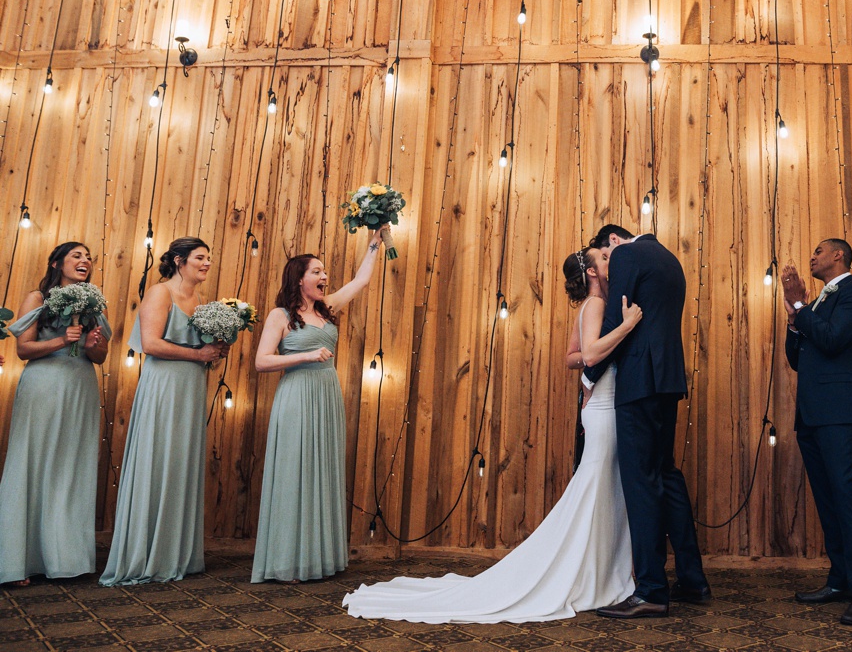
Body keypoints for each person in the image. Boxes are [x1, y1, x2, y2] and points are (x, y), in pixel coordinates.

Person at [342, 246, 642, 622]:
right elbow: (592, 354)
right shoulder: (597, 306)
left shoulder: (591, 307)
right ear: (594, 273)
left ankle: (598, 573)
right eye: (604, 257)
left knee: (602, 493)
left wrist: (586, 374)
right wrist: (627, 328)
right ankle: (592, 576)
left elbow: (573, 356)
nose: (610, 260)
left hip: (600, 409)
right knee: (599, 492)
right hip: (604, 412)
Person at [586, 224, 710, 619]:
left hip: (639, 380)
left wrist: (590, 373)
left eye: (605, 257)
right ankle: (692, 580)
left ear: (613, 242)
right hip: (668, 378)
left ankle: (652, 590)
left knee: (641, 484)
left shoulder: (626, 254)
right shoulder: (669, 258)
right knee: (666, 476)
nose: (607, 267)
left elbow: (616, 321)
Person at [252, 233, 382, 583]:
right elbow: (261, 362)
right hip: (296, 396)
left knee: (320, 471)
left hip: (326, 396)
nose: (325, 277)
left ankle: (317, 556)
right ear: (299, 279)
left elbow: (362, 279)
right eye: (317, 272)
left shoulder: (328, 308)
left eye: (325, 272)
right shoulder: (280, 316)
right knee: (294, 472)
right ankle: (287, 561)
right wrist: (306, 355)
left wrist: (374, 243)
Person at [101, 237, 228, 586]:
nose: (206, 263)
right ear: (179, 260)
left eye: (208, 258)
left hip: (191, 387)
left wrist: (215, 351)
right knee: (158, 459)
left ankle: (174, 552)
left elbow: (198, 350)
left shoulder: (202, 300)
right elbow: (152, 343)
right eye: (200, 258)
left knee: (180, 462)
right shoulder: (160, 293)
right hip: (164, 386)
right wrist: (198, 354)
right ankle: (145, 554)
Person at [781, 239, 852, 625]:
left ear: (839, 255)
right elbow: (797, 358)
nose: (812, 255)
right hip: (811, 412)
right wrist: (794, 318)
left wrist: (802, 306)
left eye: (818, 250)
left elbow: (834, 339)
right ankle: (839, 579)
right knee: (826, 498)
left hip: (840, 411)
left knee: (846, 496)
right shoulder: (818, 302)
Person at [0, 242, 110, 586]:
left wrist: (94, 344)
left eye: (88, 256)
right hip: (44, 385)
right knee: (33, 461)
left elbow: (101, 356)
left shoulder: (93, 300)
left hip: (81, 386)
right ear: (56, 262)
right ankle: (18, 559)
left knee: (70, 466)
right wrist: (63, 340)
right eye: (77, 255)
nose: (85, 260)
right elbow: (23, 348)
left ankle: (66, 557)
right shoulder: (38, 297)